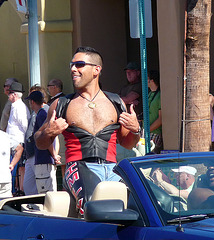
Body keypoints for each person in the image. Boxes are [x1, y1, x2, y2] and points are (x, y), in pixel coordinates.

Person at [34, 46, 140, 217]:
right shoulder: (62, 103)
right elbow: (39, 142)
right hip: (78, 166)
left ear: (96, 70)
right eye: (72, 65)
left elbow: (127, 143)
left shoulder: (115, 102)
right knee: (92, 204)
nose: (73, 69)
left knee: (137, 205)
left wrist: (136, 130)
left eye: (79, 64)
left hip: (112, 168)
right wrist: (49, 132)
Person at [26, 91, 60, 194]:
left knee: (45, 193)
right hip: (46, 160)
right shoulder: (44, 113)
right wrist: (55, 155)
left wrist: (54, 154)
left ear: (32, 102)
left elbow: (46, 137)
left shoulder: (41, 114)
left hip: (44, 159)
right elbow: (55, 137)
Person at [6, 82, 30, 194]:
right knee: (16, 169)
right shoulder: (15, 106)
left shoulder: (19, 107)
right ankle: (17, 189)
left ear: (14, 95)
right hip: (14, 143)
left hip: (18, 144)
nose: (8, 95)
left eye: (10, 93)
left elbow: (25, 125)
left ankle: (20, 190)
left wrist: (26, 141)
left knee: (19, 169)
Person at [0, 130, 24, 199]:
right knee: (5, 206)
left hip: (5, 179)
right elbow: (19, 148)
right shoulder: (5, 136)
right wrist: (12, 164)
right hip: (5, 178)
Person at [148, 70, 163, 153]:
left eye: (147, 79)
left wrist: (148, 130)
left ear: (152, 80)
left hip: (155, 133)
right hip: (147, 133)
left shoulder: (160, 95)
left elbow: (161, 119)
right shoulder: (150, 94)